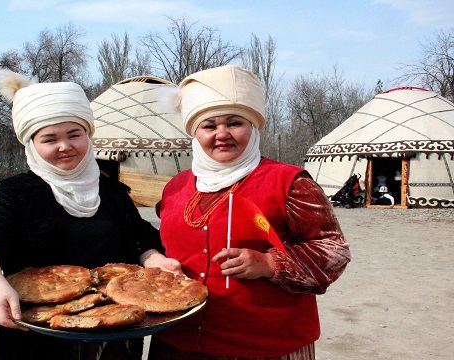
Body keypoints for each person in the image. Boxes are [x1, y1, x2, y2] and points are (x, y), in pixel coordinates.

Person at [0, 69, 176, 360]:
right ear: (32, 145)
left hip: (115, 329)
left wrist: (157, 260)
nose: (65, 146)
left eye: (75, 134)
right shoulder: (19, 193)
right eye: (50, 139)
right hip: (41, 335)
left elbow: (140, 239)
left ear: (88, 135)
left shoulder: (110, 192)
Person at [146, 65, 351, 359]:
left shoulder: (290, 183)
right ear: (195, 133)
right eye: (209, 126)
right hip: (178, 342)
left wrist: (269, 263)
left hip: (263, 345)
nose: (222, 134)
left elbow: (334, 251)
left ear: (252, 126)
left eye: (234, 122)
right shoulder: (175, 187)